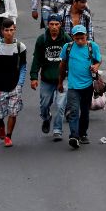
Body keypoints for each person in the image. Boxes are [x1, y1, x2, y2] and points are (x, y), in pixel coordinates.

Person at [58, 24, 103, 149]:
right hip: (73, 86)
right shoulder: (67, 48)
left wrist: (96, 66)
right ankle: (74, 136)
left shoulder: (92, 46)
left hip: (88, 85)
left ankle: (83, 133)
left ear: (86, 36)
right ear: (72, 37)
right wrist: (60, 82)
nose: (79, 41)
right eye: (76, 38)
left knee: (84, 111)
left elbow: (99, 60)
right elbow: (62, 65)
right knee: (73, 111)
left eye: (82, 38)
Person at [30, 13, 72, 141]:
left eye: (56, 24)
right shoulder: (42, 40)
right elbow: (37, 59)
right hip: (46, 79)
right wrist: (33, 77)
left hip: (63, 78)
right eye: (51, 24)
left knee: (60, 105)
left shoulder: (67, 40)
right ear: (48, 25)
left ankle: (57, 130)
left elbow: (72, 59)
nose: (54, 27)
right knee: (44, 104)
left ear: (61, 25)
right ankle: (46, 118)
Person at [0, 19, 27, 147]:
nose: (9, 33)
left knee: (13, 112)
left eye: (11, 30)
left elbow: (23, 67)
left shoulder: (20, 47)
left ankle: (8, 136)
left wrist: (20, 84)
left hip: (14, 86)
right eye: (6, 30)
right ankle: (1, 124)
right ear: (2, 31)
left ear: (14, 30)